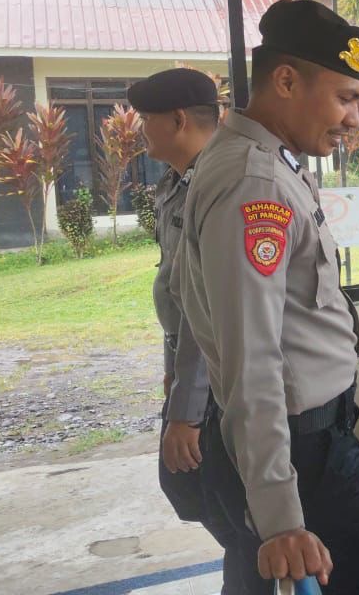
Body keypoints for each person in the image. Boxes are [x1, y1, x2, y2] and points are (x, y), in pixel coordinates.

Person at [174, 0, 359, 594]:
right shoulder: (256, 183)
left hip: (300, 441)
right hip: (302, 453)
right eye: (345, 98)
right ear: (286, 81)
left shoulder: (267, 162)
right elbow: (252, 358)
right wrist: (281, 516)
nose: (355, 120)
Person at [129, 68, 237, 587]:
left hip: (218, 367)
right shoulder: (177, 183)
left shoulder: (218, 184)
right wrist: (173, 372)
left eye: (146, 119)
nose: (140, 130)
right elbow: (176, 290)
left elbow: (204, 308)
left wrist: (186, 414)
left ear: (177, 120)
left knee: (214, 494)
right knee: (195, 492)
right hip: (189, 358)